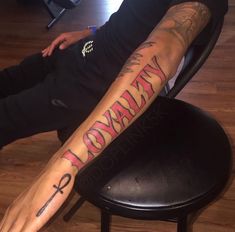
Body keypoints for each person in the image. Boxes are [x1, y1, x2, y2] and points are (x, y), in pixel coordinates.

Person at [0, 0, 228, 231]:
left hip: (91, 88)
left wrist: (60, 169)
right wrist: (92, 32)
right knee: (10, 78)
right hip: (83, 49)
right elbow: (136, 17)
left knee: (6, 116)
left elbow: (164, 48)